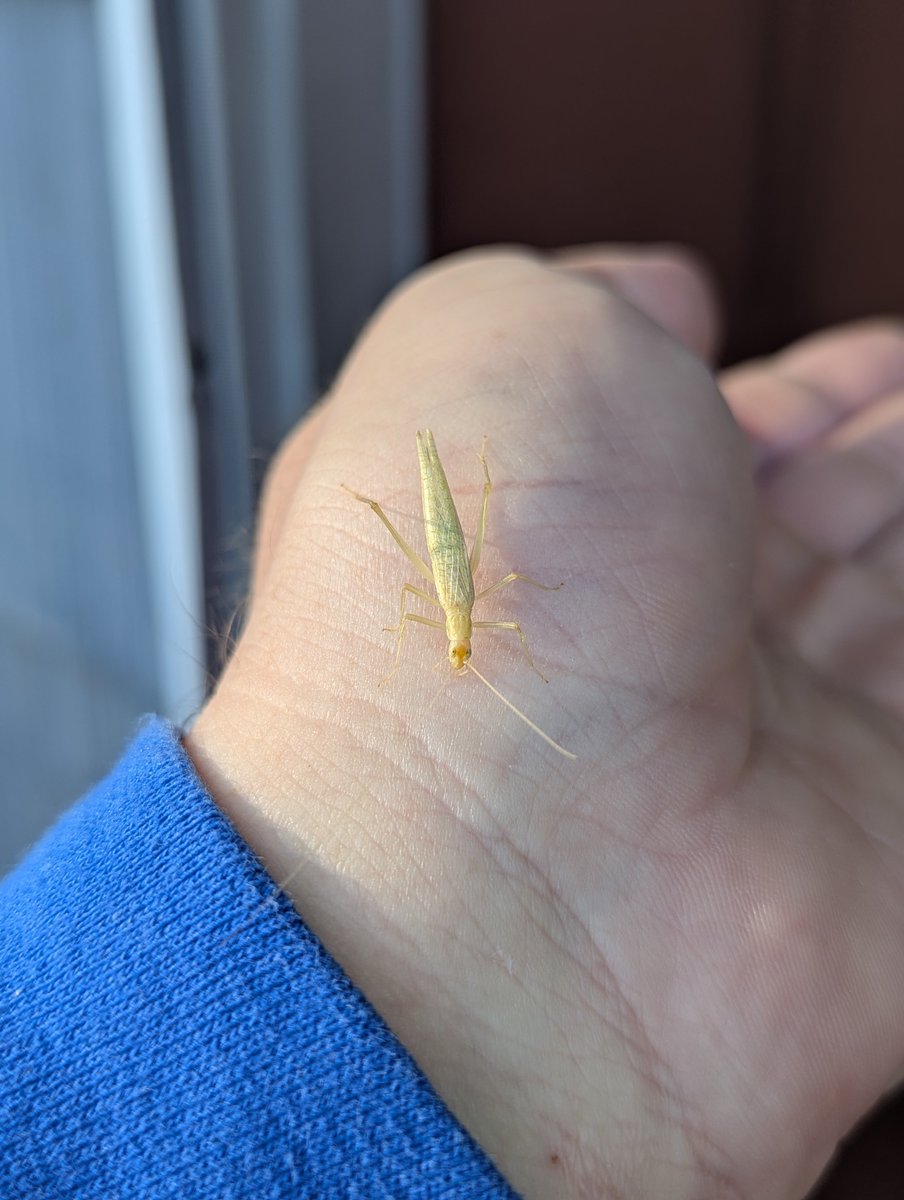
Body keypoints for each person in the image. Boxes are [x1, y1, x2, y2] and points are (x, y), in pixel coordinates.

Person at [4, 245, 904, 1199]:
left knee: (465, 549)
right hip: (448, 568)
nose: (465, 661)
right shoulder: (450, 622)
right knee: (444, 540)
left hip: (458, 572)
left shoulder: (470, 618)